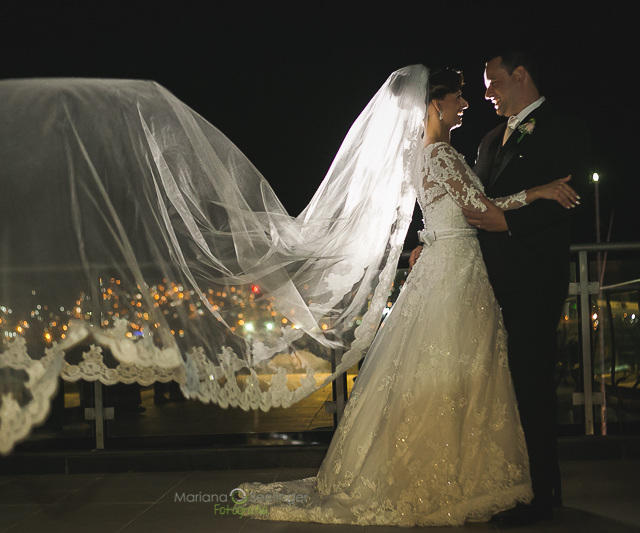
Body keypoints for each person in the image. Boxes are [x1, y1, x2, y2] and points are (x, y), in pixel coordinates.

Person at [236, 67, 579, 526]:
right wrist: (537, 192)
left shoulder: (420, 155)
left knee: (440, 370)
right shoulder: (441, 154)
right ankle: (452, 477)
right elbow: (480, 211)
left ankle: (448, 473)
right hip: (456, 270)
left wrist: (427, 240)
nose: (465, 103)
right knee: (457, 370)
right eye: (458, 96)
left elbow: (446, 212)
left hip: (443, 263)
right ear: (435, 103)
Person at [462, 50, 592, 525]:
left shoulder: (564, 126)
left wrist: (511, 224)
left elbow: (572, 196)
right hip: (488, 281)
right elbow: (476, 202)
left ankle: (540, 494)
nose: (487, 94)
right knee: (503, 388)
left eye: (493, 83)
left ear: (520, 75)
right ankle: (513, 484)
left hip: (535, 277)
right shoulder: (488, 140)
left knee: (532, 383)